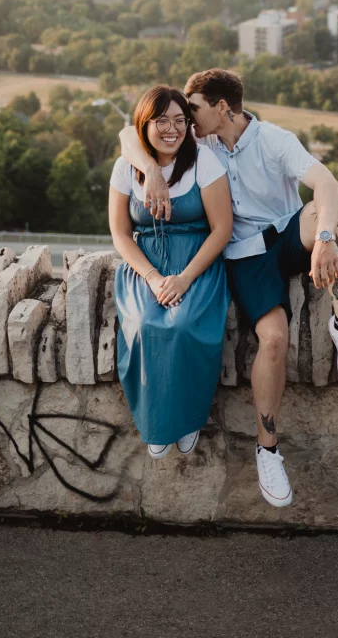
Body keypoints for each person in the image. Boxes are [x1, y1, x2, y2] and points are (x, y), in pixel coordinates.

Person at [120, 69, 338, 508]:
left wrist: (324, 237)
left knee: (327, 217)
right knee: (273, 340)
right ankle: (268, 450)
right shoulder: (202, 143)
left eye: (192, 109)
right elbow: (130, 134)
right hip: (246, 257)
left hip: (288, 235)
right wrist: (150, 174)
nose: (185, 121)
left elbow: (327, 183)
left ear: (221, 109)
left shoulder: (273, 140)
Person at [108, 84, 232, 460]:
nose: (172, 129)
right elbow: (120, 233)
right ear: (145, 124)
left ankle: (189, 418)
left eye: (180, 121)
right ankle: (156, 424)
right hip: (146, 264)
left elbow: (222, 229)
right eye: (162, 121)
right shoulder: (127, 167)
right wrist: (152, 277)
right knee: (145, 325)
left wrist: (184, 278)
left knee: (184, 324)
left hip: (196, 261)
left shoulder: (203, 163)